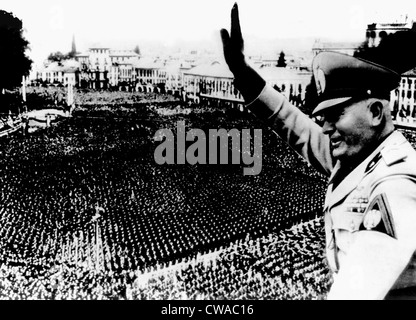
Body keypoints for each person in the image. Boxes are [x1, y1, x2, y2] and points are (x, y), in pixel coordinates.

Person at [220, 3, 416, 300]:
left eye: (336, 116)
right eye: (323, 119)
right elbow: (295, 125)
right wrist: (245, 76)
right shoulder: (361, 155)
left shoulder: (395, 185)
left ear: (376, 112)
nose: (325, 129)